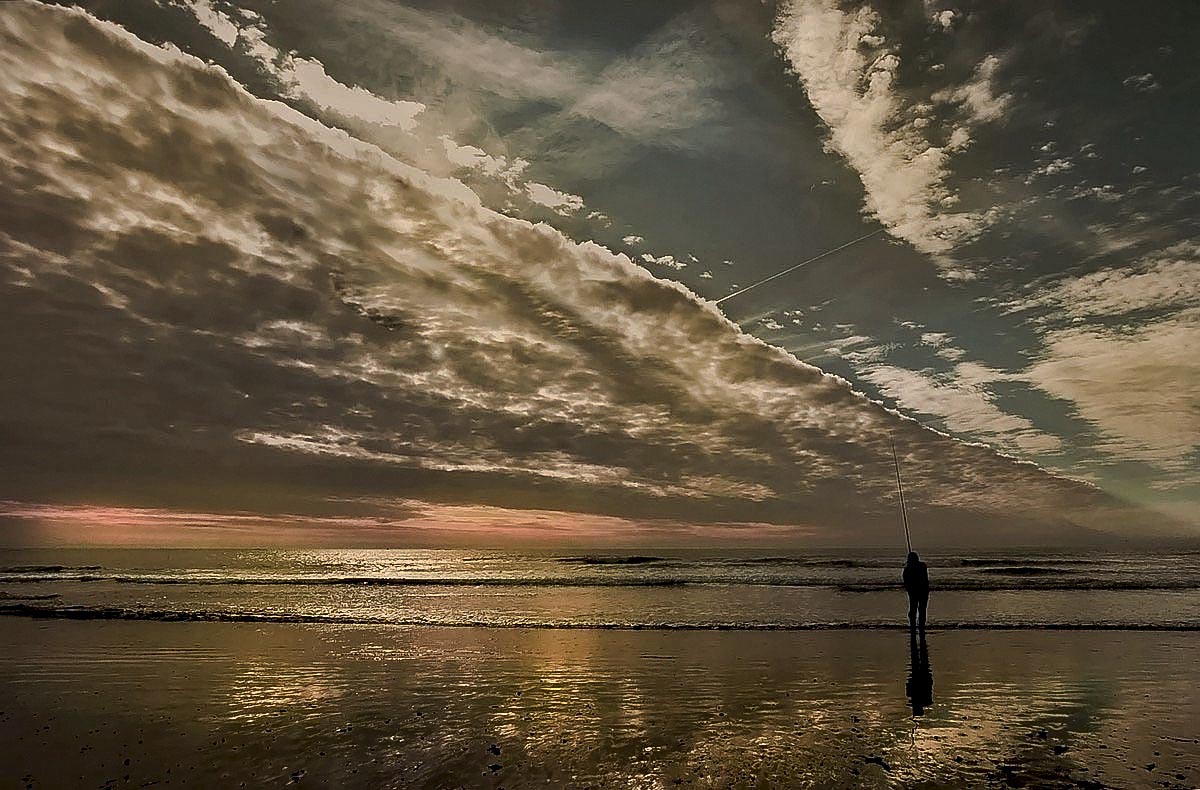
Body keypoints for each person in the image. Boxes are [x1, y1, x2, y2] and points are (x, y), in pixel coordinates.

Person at [902, 551, 929, 631]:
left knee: (914, 609)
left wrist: (909, 590)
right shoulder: (922, 566)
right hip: (923, 592)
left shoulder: (907, 569)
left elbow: (906, 582)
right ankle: (921, 626)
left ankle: (913, 626)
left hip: (914, 592)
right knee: (922, 610)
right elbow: (925, 579)